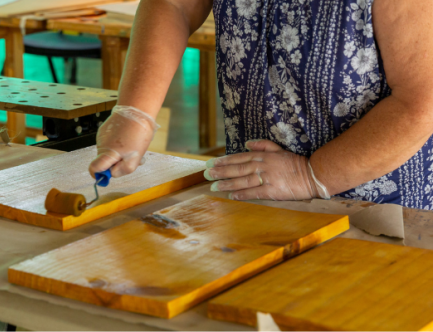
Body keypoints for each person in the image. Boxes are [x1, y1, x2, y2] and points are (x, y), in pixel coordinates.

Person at [88, 0, 433, 209]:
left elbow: (422, 101)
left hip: (377, 208)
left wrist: (310, 176)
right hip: (259, 189)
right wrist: (135, 112)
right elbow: (174, 4)